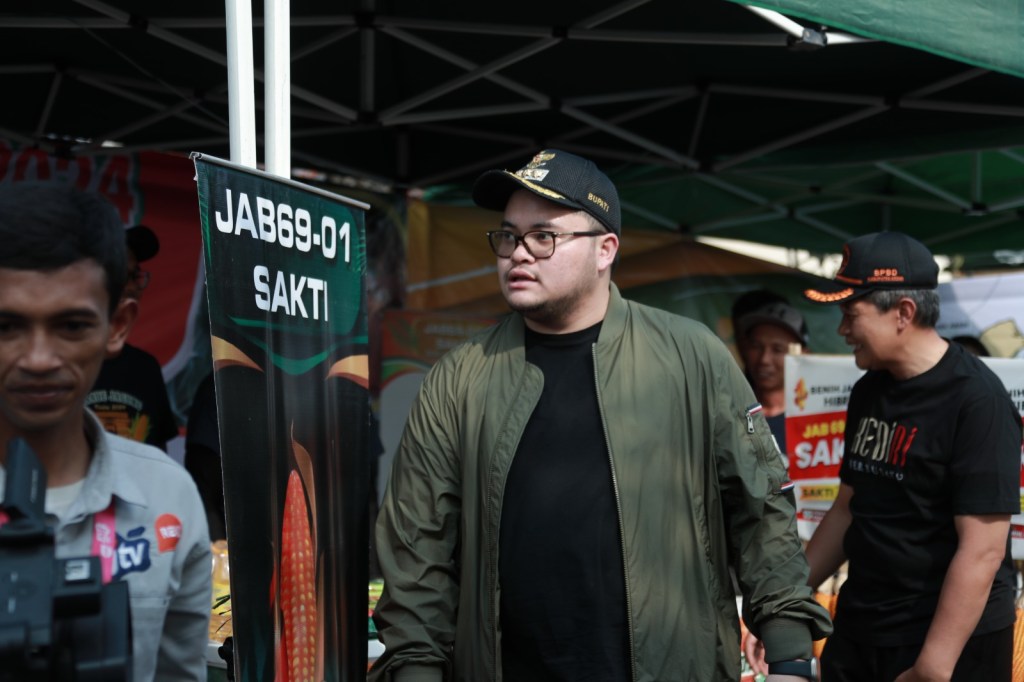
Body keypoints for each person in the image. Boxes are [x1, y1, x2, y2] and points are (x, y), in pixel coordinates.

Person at [371, 149, 831, 682]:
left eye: (544, 236)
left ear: (605, 249)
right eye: (508, 236)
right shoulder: (459, 378)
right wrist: (416, 671)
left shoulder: (691, 356)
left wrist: (790, 654)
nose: (518, 254)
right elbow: (417, 543)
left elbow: (761, 509)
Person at [752, 231, 1021, 681]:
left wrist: (933, 667)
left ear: (904, 313)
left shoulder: (978, 402)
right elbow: (848, 509)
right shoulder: (869, 391)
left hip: (948, 646)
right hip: (864, 627)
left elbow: (982, 551)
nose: (842, 330)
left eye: (851, 314)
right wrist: (788, 607)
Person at [0, 184, 211, 681]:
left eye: (71, 326)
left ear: (117, 326)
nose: (39, 359)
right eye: (7, 326)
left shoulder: (167, 496)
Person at [86, 224, 179, 452]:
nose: (131, 287)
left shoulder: (145, 369)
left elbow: (158, 458)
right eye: (119, 274)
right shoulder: (54, 363)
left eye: (134, 275)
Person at [736, 301, 810, 455]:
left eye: (778, 349)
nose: (764, 359)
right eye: (756, 346)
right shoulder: (728, 416)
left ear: (803, 354)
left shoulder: (816, 420)